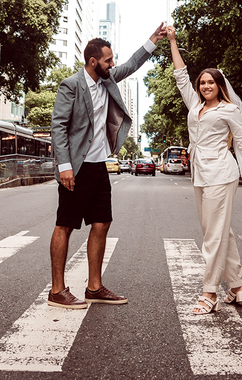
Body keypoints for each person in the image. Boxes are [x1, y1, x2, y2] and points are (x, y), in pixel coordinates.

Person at [47, 25, 166, 310]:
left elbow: (132, 64)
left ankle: (94, 287)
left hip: (99, 165)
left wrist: (153, 40)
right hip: (76, 168)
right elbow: (58, 126)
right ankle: (57, 290)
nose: (113, 64)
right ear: (92, 62)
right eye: (108, 60)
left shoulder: (108, 80)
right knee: (65, 224)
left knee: (102, 222)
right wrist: (64, 166)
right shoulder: (71, 85)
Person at [168, 25, 242, 316]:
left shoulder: (228, 110)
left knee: (213, 235)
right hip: (200, 175)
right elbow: (181, 76)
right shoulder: (195, 107)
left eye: (210, 83)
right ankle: (238, 286)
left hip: (221, 173)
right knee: (216, 230)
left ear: (220, 86)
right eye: (202, 83)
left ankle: (209, 293)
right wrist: (172, 41)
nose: (205, 86)